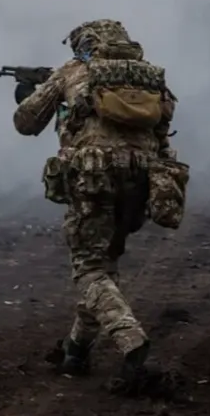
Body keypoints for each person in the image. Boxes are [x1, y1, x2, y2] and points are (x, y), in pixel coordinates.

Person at [12, 19, 190, 380]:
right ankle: (75, 350)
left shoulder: (73, 70)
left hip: (94, 179)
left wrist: (27, 92)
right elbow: (162, 129)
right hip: (141, 182)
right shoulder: (150, 77)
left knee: (90, 269)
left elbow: (26, 122)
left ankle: (130, 340)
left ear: (86, 44)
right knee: (104, 265)